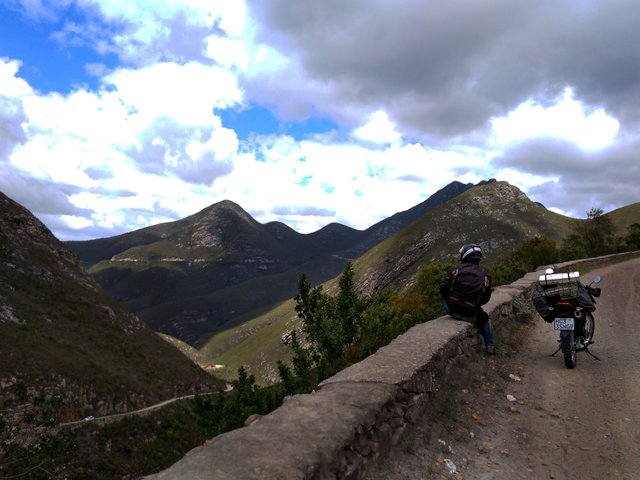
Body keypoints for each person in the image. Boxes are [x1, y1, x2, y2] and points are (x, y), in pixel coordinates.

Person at [440, 244, 496, 355]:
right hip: (471, 310)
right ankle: (490, 345)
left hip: (452, 308)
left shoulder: (454, 270)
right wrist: (476, 304)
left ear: (465, 255)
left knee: (445, 303)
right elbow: (486, 297)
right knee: (484, 319)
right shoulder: (486, 276)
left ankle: (458, 313)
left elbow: (443, 288)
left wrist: (450, 299)